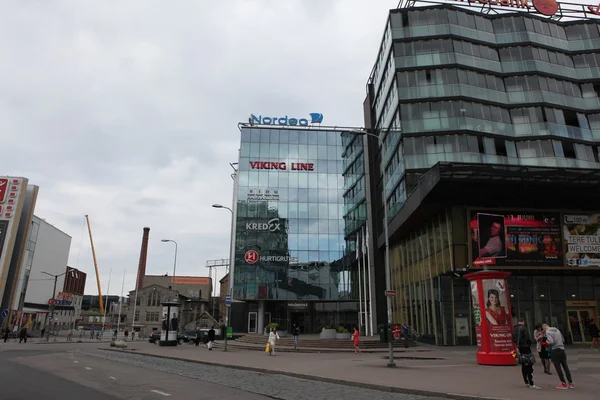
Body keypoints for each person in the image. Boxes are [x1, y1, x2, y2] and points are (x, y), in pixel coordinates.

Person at [543, 323, 574, 389]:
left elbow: (551, 341)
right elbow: (563, 340)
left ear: (544, 328)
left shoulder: (548, 332)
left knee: (558, 368)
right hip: (562, 349)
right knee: (565, 367)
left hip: (555, 350)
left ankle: (563, 383)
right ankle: (571, 383)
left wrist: (546, 341)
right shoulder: (557, 330)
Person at [513, 317, 539, 389]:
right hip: (525, 347)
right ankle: (531, 382)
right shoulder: (524, 328)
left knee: (523, 363)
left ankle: (526, 381)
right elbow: (527, 338)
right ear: (523, 322)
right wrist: (529, 344)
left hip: (520, 348)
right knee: (530, 363)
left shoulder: (514, 328)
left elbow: (514, 338)